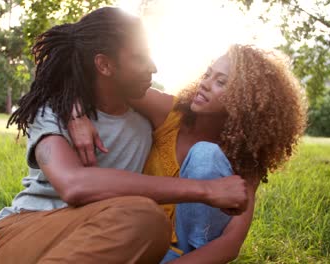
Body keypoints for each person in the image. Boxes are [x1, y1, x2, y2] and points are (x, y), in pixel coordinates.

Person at [0, 7, 248, 264]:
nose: (153, 67)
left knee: (147, 225)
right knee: (145, 217)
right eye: (140, 58)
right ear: (105, 65)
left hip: (103, 235)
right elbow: (74, 185)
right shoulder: (53, 110)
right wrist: (207, 190)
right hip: (21, 234)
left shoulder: (146, 118)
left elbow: (206, 127)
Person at [69, 44, 307, 263]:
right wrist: (76, 115)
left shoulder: (246, 157)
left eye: (221, 82)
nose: (205, 83)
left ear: (247, 102)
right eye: (208, 75)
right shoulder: (170, 113)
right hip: (135, 233)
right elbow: (102, 80)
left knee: (206, 155)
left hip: (185, 255)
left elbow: (230, 243)